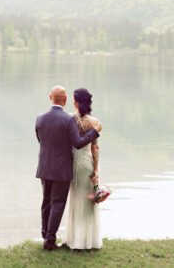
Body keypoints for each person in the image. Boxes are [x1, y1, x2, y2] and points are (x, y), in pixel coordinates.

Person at [35, 85, 102, 251]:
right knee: (57, 203)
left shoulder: (40, 118)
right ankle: (50, 241)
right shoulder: (68, 119)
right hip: (61, 169)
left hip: (44, 167)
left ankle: (45, 235)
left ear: (50, 98)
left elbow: (41, 141)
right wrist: (94, 132)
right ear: (65, 100)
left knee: (46, 203)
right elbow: (78, 144)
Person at [63, 87, 102, 249]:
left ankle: (73, 240)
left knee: (75, 199)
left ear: (77, 102)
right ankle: (89, 241)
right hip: (87, 163)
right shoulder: (95, 123)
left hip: (73, 163)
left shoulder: (70, 119)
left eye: (73, 99)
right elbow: (95, 148)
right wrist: (96, 170)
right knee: (88, 200)